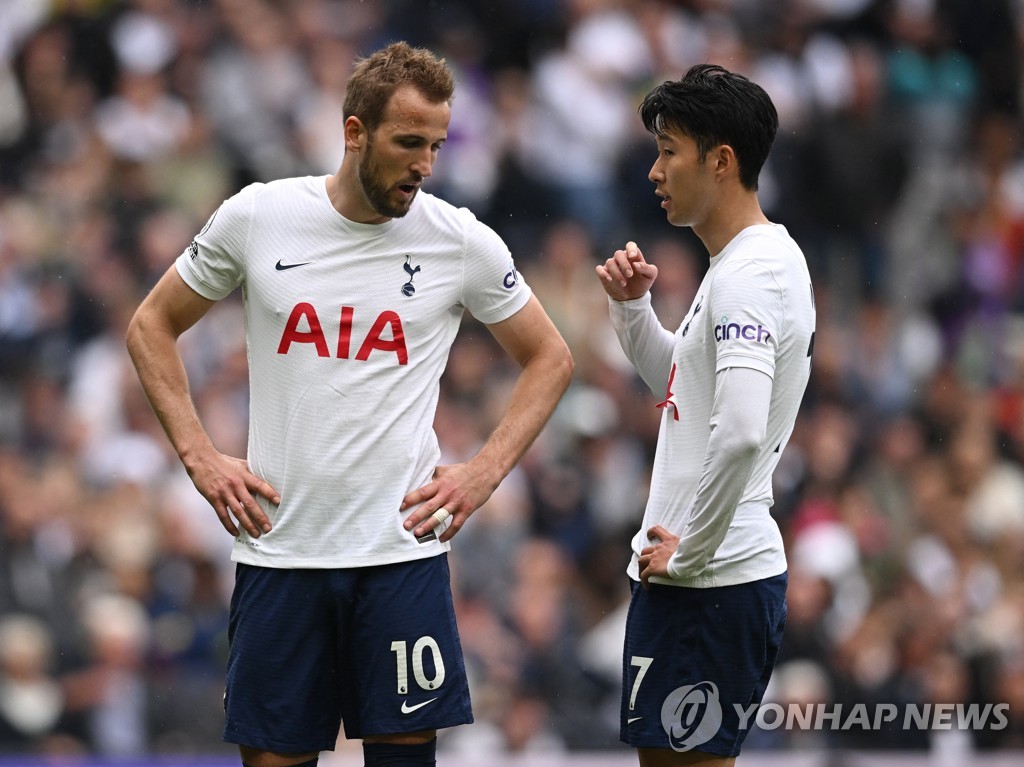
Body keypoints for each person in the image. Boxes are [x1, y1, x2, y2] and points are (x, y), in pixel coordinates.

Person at [126, 41, 573, 767]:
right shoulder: (259, 216)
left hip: (400, 556)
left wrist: (484, 470)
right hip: (281, 553)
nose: (425, 164)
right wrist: (201, 457)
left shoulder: (458, 240)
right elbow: (151, 325)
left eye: (436, 144)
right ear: (355, 131)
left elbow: (550, 357)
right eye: (408, 143)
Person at [595, 64, 816, 766]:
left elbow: (743, 430)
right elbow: (687, 387)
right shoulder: (748, 263)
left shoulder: (750, 274)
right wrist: (632, 311)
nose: (655, 171)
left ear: (722, 161)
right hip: (706, 580)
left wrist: (690, 551)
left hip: (709, 584)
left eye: (669, 150)